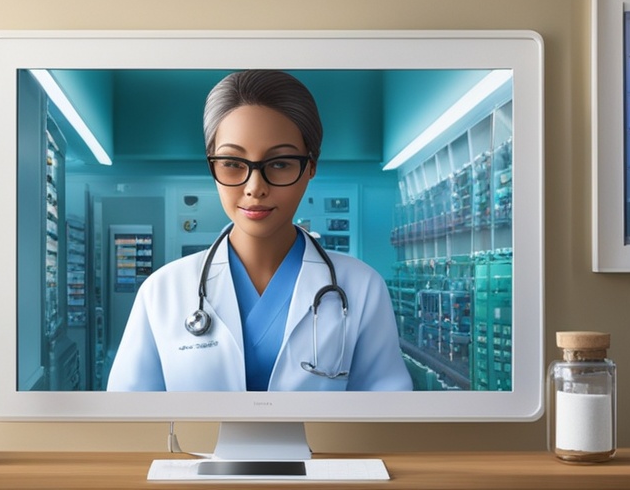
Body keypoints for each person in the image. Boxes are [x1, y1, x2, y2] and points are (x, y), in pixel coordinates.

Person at [106, 70, 412, 391]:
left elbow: (386, 420)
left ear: (311, 166)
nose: (255, 187)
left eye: (279, 164)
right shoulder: (162, 292)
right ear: (211, 166)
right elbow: (130, 421)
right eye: (233, 163)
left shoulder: (362, 288)